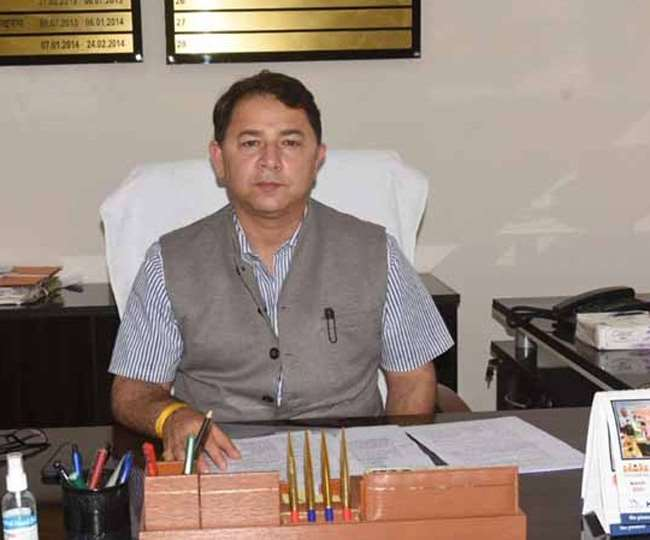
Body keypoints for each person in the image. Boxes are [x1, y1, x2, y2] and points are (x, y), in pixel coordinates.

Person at [108, 70, 453, 470]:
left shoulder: (377, 252)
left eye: (289, 143)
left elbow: (413, 379)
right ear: (219, 159)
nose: (270, 161)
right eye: (250, 143)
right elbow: (132, 390)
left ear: (317, 159)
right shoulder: (169, 261)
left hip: (349, 467)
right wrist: (172, 417)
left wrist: (392, 472)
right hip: (220, 464)